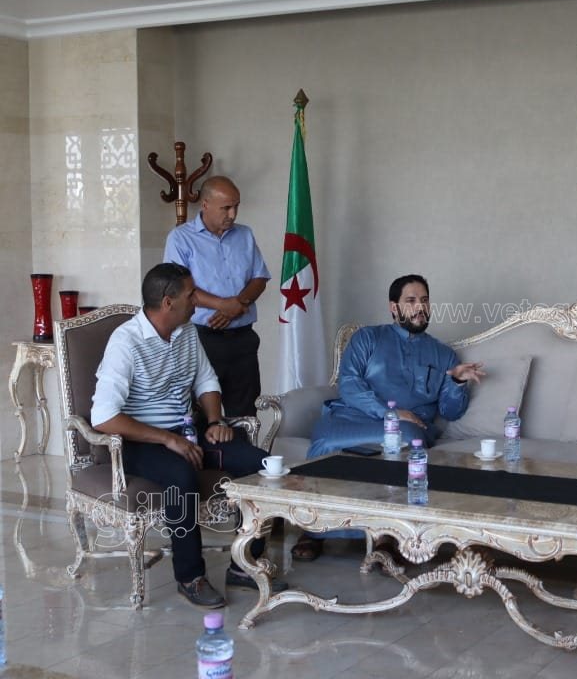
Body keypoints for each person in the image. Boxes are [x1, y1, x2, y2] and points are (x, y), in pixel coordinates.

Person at [90, 263, 286, 608]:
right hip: (140, 443)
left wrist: (214, 420)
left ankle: (245, 564)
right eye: (191, 294)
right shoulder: (126, 342)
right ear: (169, 302)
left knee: (261, 466)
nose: (197, 300)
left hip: (188, 432)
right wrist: (168, 439)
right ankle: (190, 576)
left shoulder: (187, 332)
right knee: (181, 475)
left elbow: (206, 381)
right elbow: (103, 417)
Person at [290, 274, 485, 562]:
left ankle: (387, 535)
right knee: (326, 441)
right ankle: (315, 528)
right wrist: (388, 412)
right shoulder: (367, 338)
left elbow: (450, 411)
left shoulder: (443, 355)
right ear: (394, 307)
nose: (420, 307)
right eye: (411, 301)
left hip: (407, 428)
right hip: (352, 417)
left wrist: (457, 382)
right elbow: (349, 384)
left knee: (406, 441)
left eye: (424, 300)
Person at [164, 175, 270, 419]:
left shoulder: (244, 235)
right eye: (226, 208)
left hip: (243, 340)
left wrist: (238, 304)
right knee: (201, 414)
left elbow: (259, 278)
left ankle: (242, 446)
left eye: (236, 206)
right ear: (205, 205)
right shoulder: (180, 238)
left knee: (245, 414)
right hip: (203, 339)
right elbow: (178, 287)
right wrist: (223, 305)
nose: (233, 214)